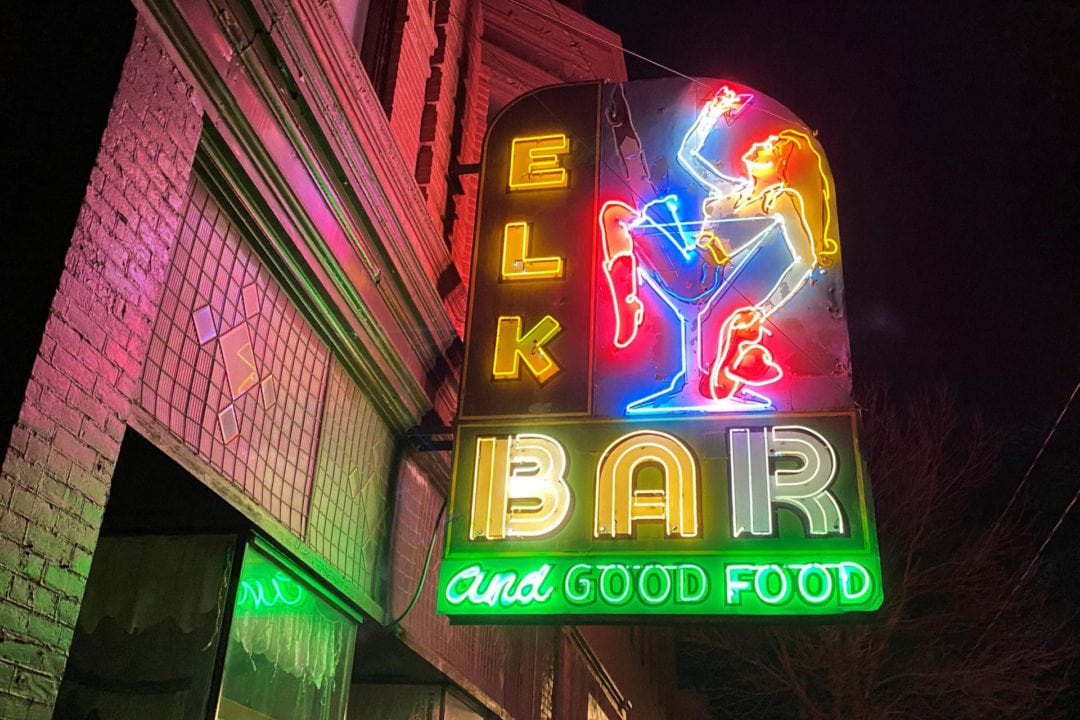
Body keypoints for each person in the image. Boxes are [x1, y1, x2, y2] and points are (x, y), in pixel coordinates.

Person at [600, 86, 838, 408]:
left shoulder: (777, 201)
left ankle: (629, 298)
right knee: (628, 213)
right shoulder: (732, 190)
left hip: (699, 278)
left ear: (783, 169)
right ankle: (628, 299)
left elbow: (806, 259)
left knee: (627, 214)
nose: (763, 143)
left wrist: (762, 311)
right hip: (686, 263)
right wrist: (713, 112)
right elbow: (688, 156)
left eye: (773, 147)